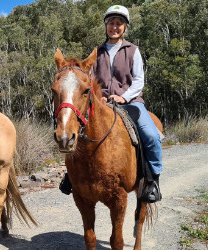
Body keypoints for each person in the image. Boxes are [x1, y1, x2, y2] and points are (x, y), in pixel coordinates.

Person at [60, 5, 163, 203]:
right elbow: (87, 81)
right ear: (106, 26)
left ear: (125, 27)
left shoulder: (133, 50)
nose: (114, 27)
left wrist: (124, 96)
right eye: (111, 23)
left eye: (119, 24)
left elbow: (139, 80)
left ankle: (153, 180)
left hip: (131, 102)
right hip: (101, 103)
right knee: (75, 129)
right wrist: (99, 98)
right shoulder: (96, 53)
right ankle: (71, 176)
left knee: (150, 135)